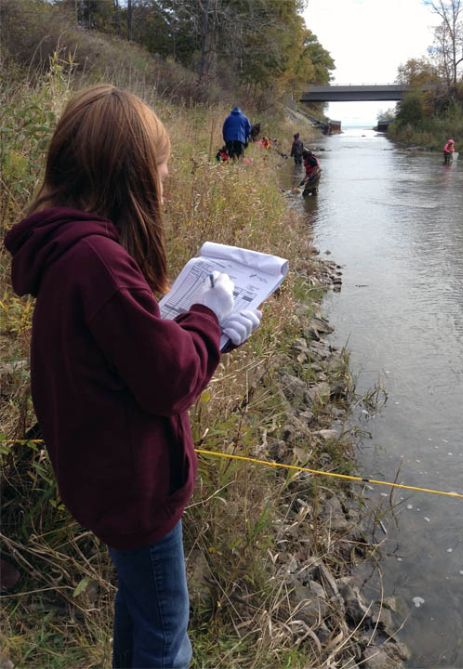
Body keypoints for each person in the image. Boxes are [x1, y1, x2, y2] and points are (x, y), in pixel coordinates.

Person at [4, 84, 262, 669]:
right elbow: (168, 379)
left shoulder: (72, 250)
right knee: (168, 640)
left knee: (142, 614)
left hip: (101, 477)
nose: (167, 179)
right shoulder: (99, 262)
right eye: (161, 167)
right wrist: (207, 319)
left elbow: (125, 353)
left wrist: (205, 334)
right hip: (134, 489)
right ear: (130, 176)